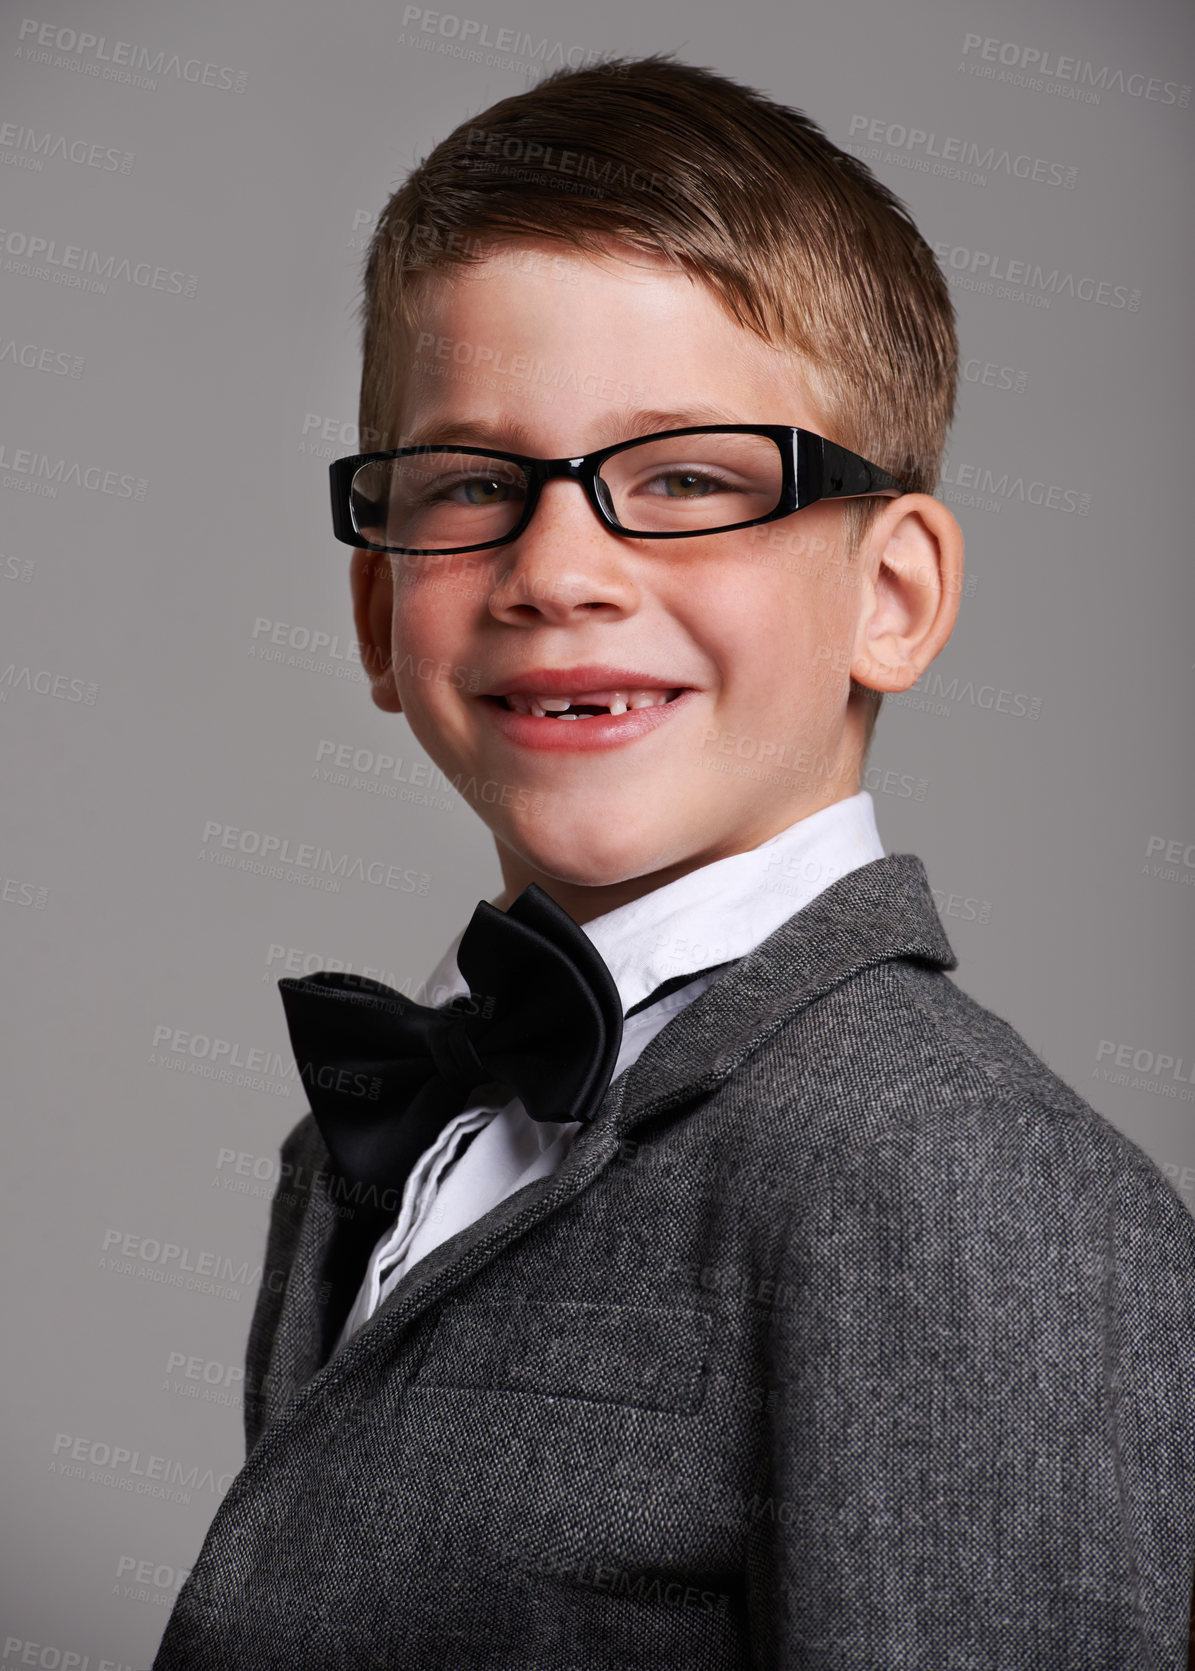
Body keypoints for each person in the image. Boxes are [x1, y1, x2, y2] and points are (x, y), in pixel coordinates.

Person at [153, 53, 1195, 1669]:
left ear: (895, 596)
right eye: (471, 487)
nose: (558, 569)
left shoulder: (959, 1186)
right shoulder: (378, 1125)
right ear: (377, 609)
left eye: (689, 479)